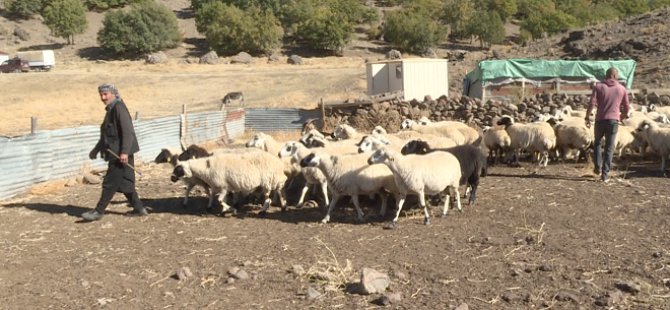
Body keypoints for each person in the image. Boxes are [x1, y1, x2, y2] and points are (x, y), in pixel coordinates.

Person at [81, 84, 147, 221]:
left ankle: (98, 211)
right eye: (101, 95)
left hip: (120, 154)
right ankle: (139, 208)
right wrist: (96, 149)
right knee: (126, 183)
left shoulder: (119, 108)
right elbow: (107, 134)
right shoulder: (111, 109)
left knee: (110, 182)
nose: (102, 97)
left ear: (114, 94)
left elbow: (128, 132)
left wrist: (124, 152)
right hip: (118, 152)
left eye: (105, 94)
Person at [585, 67, 630, 183]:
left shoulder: (598, 86)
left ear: (607, 75)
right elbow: (627, 107)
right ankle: (605, 175)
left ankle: (597, 167)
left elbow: (592, 103)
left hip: (600, 120)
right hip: (613, 121)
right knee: (610, 147)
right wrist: (621, 117)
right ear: (615, 76)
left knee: (597, 143)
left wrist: (587, 116)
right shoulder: (622, 89)